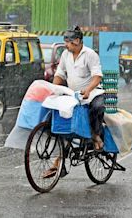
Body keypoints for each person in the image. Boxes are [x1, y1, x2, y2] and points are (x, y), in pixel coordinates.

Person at [43, 25, 105, 178]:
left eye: (69, 42)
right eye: (65, 41)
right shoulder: (65, 55)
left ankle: (96, 135)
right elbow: (60, 74)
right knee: (59, 119)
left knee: (96, 107)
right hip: (73, 95)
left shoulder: (90, 54)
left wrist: (89, 90)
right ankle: (60, 161)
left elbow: (97, 76)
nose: (66, 45)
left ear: (77, 41)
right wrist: (53, 89)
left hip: (92, 93)